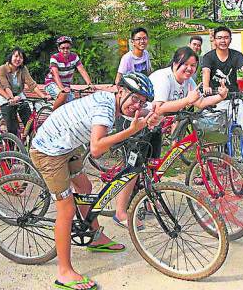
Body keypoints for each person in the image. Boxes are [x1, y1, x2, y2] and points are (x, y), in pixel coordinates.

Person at [30, 73, 159, 290]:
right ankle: (64, 272)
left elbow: (138, 111)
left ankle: (95, 237)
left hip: (65, 145)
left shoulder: (114, 101)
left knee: (85, 187)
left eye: (142, 102)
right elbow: (97, 148)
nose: (137, 106)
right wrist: (130, 131)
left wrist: (150, 114)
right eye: (135, 99)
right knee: (67, 209)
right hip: (48, 151)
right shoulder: (105, 109)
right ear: (120, 90)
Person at [112, 47, 227, 227]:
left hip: (154, 124)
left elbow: (199, 103)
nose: (189, 69)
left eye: (193, 66)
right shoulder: (163, 78)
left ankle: (149, 201)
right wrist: (186, 101)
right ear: (175, 64)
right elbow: (158, 107)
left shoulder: (188, 81)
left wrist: (220, 97)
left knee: (153, 164)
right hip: (135, 121)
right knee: (133, 167)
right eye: (185, 65)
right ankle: (120, 212)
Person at [201, 26, 243, 177]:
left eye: (226, 37)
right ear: (215, 40)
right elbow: (206, 72)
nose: (223, 40)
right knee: (208, 133)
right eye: (220, 38)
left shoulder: (236, 55)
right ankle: (205, 169)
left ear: (230, 39)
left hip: (234, 98)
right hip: (215, 99)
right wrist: (206, 87)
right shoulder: (208, 57)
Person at [0, 47, 50, 137]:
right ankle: (13, 147)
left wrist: (42, 96)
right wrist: (11, 98)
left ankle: (32, 144)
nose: (18, 59)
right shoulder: (2, 69)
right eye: (16, 56)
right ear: (11, 57)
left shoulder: (23, 69)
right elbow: (5, 86)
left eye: (21, 57)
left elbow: (31, 84)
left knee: (29, 122)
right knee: (12, 128)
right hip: (5, 97)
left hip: (19, 95)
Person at [44, 36, 95, 111]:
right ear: (59, 48)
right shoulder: (54, 58)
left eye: (67, 48)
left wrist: (89, 84)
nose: (65, 50)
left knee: (72, 104)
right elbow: (55, 75)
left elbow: (82, 70)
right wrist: (62, 89)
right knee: (63, 95)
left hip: (66, 86)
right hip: (52, 83)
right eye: (63, 48)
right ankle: (53, 115)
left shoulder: (74, 57)